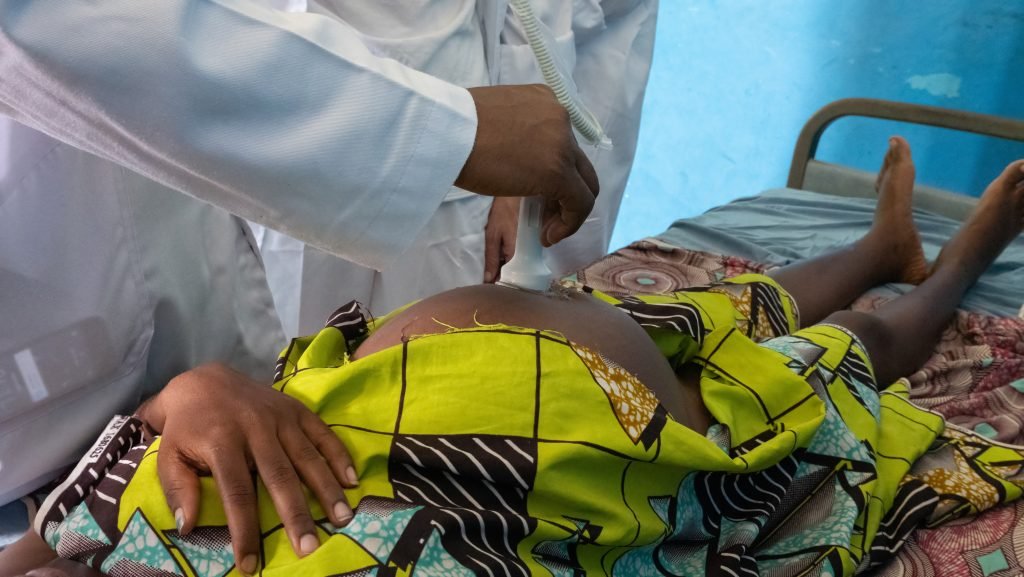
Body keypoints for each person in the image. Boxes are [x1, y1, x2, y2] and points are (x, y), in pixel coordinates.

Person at [4, 138, 1023, 576]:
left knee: (720, 312)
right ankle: (948, 262)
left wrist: (184, 397)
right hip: (621, 438)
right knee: (838, 358)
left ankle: (878, 248)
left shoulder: (96, 542)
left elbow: (54, 530)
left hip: (440, 360)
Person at [0, 0, 599, 561]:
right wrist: (441, 132)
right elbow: (61, 26)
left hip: (127, 408)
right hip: (75, 424)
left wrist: (166, 406)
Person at [251, 0, 659, 336]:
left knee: (436, 358)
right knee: (294, 355)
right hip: (274, 109)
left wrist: (519, 160)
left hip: (453, 119)